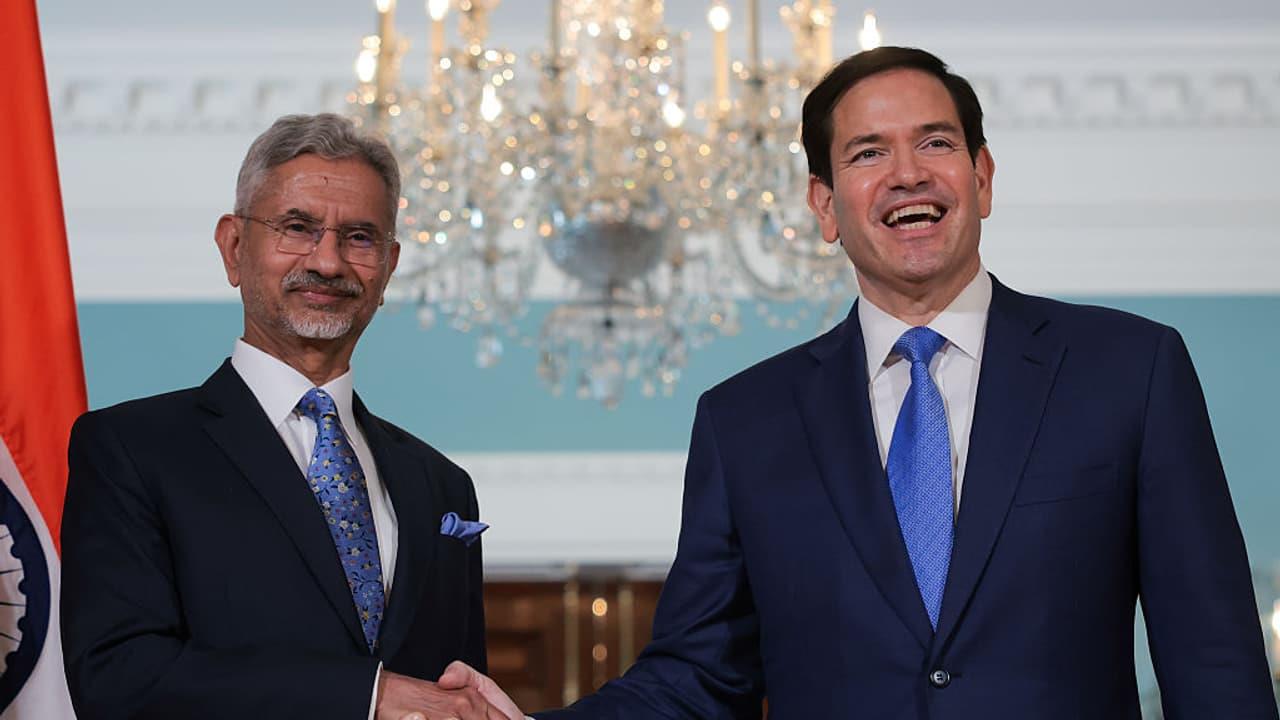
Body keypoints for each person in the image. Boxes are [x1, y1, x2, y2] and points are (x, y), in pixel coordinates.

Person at [440, 47, 1278, 719]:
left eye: (935, 143)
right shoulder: (745, 421)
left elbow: (1215, 660)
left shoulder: (1129, 370)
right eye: (869, 152)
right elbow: (699, 677)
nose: (908, 173)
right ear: (825, 205)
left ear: (982, 178)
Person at [61, 114, 508, 720]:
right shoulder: (130, 449)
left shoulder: (442, 485)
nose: (328, 262)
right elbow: (118, 679)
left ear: (389, 267)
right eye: (297, 228)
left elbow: (458, 696)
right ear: (233, 248)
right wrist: (368, 695)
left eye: (360, 237)